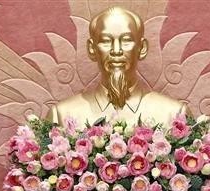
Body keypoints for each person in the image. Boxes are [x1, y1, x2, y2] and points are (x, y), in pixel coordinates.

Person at [46, 6, 188, 126]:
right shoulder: (61, 116)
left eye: (126, 40)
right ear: (92, 49)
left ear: (142, 48)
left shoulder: (175, 115)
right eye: (106, 41)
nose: (116, 50)